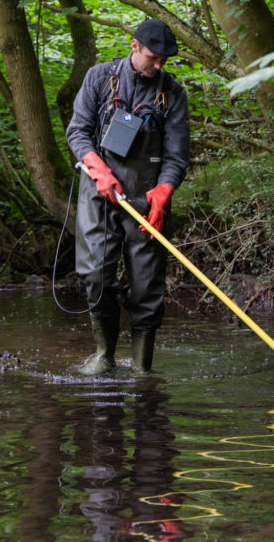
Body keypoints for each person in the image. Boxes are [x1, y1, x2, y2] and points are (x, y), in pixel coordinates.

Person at [65, 19, 190, 376]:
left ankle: (141, 369)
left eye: (165, 60)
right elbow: (78, 132)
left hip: (147, 198)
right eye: (153, 57)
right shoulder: (99, 77)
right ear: (134, 46)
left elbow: (176, 157)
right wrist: (98, 170)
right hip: (98, 191)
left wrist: (164, 192)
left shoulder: (173, 93)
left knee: (148, 281)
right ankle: (104, 355)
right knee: (95, 272)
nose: (159, 66)